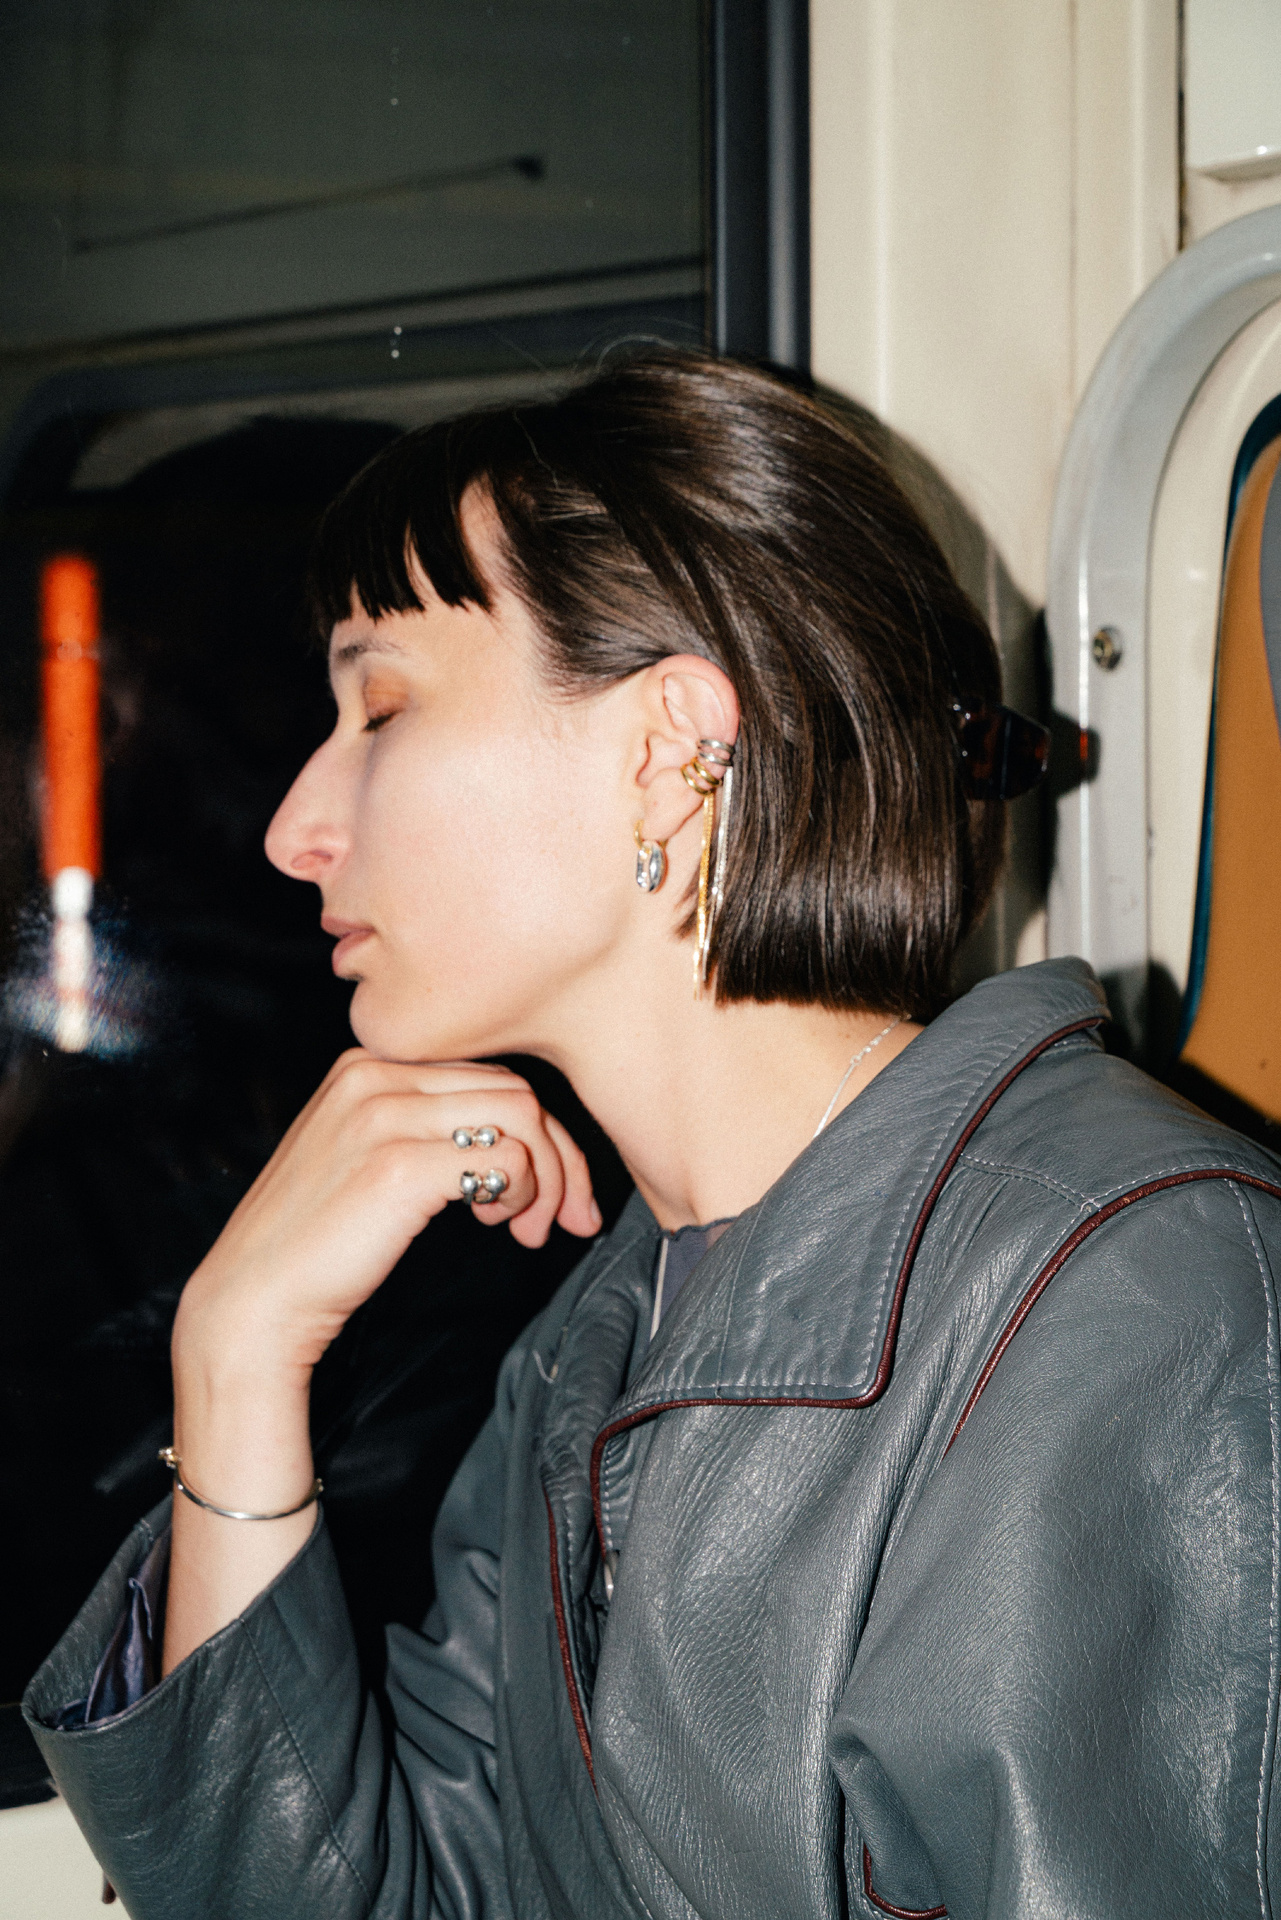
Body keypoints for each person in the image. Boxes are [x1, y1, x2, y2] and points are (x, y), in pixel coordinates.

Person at [22, 350, 1281, 1920]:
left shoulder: (1131, 1294)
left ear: (670, 751)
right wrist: (235, 1356)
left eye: (382, 707)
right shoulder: (591, 1347)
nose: (294, 828)